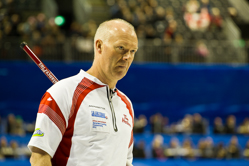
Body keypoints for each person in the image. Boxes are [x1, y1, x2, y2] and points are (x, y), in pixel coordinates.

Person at [28, 18, 138, 166]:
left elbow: (125, 162)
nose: (127, 57)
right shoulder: (63, 92)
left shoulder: (126, 105)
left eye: (132, 51)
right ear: (99, 46)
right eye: (121, 48)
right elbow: (39, 157)